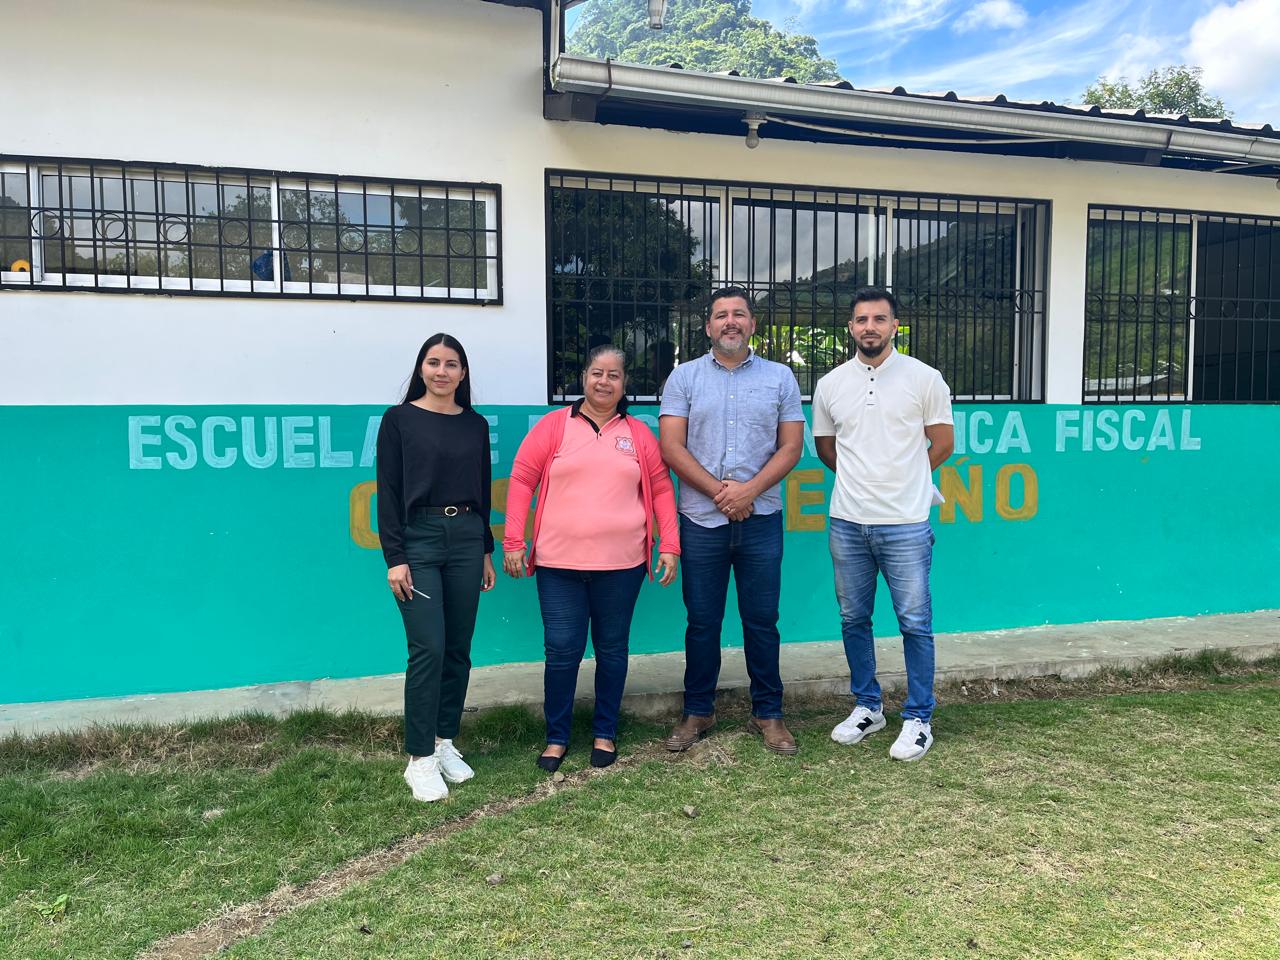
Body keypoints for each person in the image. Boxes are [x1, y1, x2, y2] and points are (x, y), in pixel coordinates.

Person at [503, 345, 680, 771]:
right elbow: (522, 479)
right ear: (584, 377)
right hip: (558, 566)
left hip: (621, 567)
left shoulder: (638, 434)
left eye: (614, 375)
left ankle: (605, 731)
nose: (604, 381)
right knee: (562, 651)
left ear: (624, 383)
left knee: (612, 649)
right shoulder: (553, 426)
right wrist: (513, 541)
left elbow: (660, 488)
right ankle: (557, 737)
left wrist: (670, 545)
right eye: (597, 372)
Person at [658, 287, 805, 755]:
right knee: (702, 622)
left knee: (762, 621)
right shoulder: (683, 378)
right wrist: (722, 494)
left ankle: (769, 712)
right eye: (721, 315)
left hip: (760, 519)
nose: (730, 322)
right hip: (702, 521)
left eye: (739, 314)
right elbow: (671, 447)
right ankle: (698, 710)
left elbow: (791, 448)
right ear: (708, 326)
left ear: (752, 324)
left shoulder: (780, 378)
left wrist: (748, 491)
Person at [812, 287, 954, 762]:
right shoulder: (831, 384)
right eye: (861, 319)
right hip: (848, 522)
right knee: (854, 619)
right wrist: (862, 481)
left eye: (878, 319)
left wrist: (904, 479)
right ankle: (868, 707)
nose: (869, 327)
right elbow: (827, 448)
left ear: (895, 325)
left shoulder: (924, 378)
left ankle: (919, 718)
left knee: (914, 622)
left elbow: (943, 443)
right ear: (850, 327)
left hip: (905, 523)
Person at [376, 333, 497, 802]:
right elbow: (388, 491)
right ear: (421, 368)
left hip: (466, 537)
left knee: (458, 648)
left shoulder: (475, 425)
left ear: (463, 373)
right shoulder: (399, 420)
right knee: (429, 646)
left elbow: (482, 488)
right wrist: (395, 558)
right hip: (419, 540)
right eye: (433, 362)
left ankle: (445, 742)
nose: (441, 371)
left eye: (451, 364)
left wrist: (485, 549)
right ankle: (420, 758)